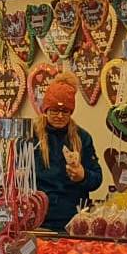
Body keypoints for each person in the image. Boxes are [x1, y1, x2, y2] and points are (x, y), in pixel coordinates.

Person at [31, 77, 102, 232]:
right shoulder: (30, 137)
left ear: (71, 112)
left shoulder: (83, 138)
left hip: (74, 222)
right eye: (54, 110)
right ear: (45, 110)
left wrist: (83, 176)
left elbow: (97, 178)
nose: (59, 116)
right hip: (38, 222)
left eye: (65, 111)